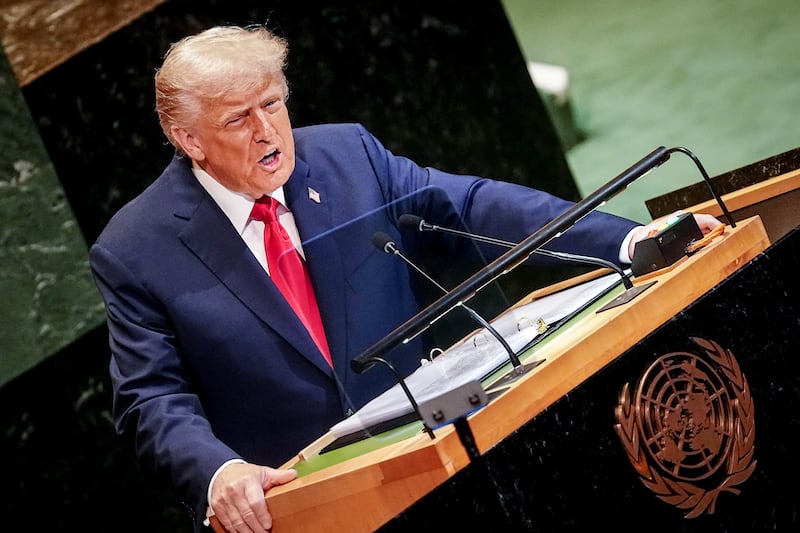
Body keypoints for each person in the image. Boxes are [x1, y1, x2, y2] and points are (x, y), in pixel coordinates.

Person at [89, 25, 722, 533]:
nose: (266, 131)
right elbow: (151, 398)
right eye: (237, 120)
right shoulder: (136, 249)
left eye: (273, 104)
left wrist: (624, 241)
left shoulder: (347, 156)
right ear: (188, 139)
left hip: (433, 449)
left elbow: (471, 205)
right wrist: (218, 473)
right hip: (301, 503)